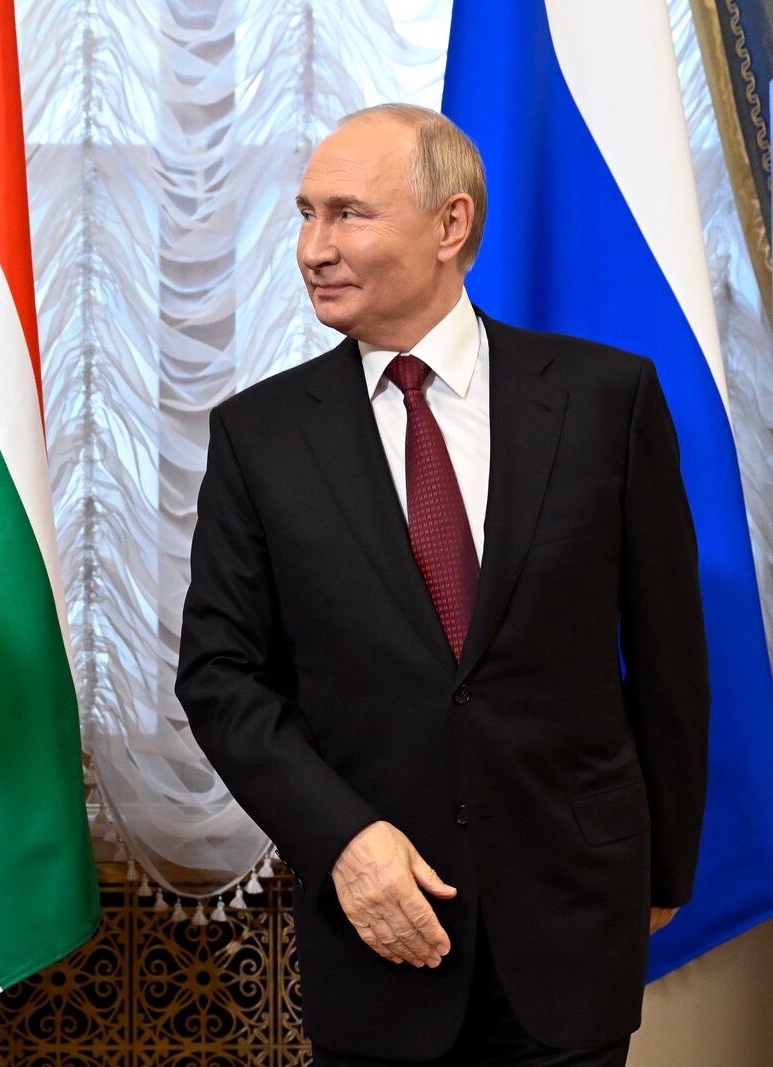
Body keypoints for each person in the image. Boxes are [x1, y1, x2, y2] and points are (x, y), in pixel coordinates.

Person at [176, 104, 708, 1067]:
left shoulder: (606, 400)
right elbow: (220, 676)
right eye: (305, 214)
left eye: (348, 214)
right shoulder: (260, 436)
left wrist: (663, 864)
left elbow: (669, 654)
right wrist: (342, 840)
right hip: (378, 930)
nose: (312, 248)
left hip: (572, 925)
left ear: (450, 225)